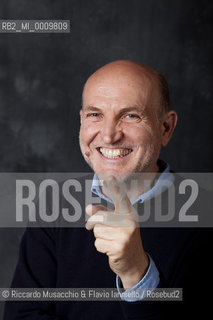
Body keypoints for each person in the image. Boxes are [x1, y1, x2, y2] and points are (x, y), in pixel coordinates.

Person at [3, 60, 212, 319]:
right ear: (81, 121)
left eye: (131, 115)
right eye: (95, 114)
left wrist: (137, 273)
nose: (109, 135)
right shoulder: (54, 202)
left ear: (165, 128)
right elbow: (21, 314)